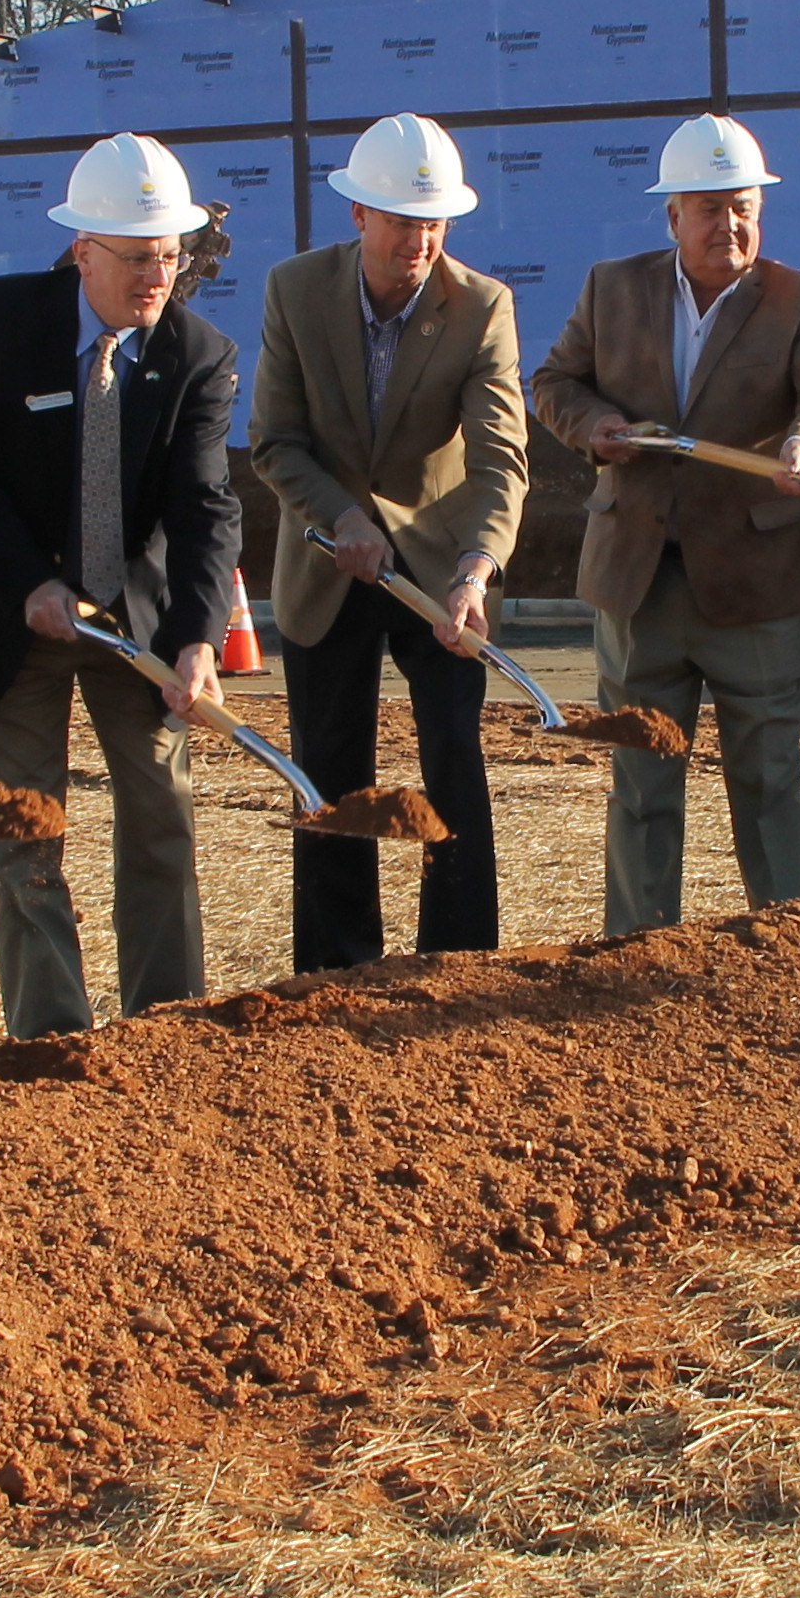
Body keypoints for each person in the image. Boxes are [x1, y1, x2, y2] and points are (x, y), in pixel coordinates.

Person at [0, 131, 243, 1042]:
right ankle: (51, 1042)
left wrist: (198, 640)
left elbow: (207, 507)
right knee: (23, 833)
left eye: (169, 259)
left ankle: (164, 1028)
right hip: (5, 616)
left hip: (134, 626)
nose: (156, 279)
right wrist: (27, 581)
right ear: (82, 251)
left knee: (161, 819)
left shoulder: (197, 354)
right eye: (136, 259)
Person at [529, 113, 800, 934]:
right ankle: (639, 945)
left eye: (743, 205)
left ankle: (782, 943)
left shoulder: (798, 299)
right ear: (671, 216)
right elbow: (555, 382)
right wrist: (595, 426)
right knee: (641, 781)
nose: (730, 224)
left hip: (755, 581)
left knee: (769, 776)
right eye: (709, 208)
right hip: (639, 581)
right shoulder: (613, 287)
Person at [250, 114, 529, 974]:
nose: (420, 239)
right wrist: (343, 519)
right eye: (402, 220)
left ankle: (457, 961)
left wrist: (477, 571)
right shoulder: (295, 292)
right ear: (359, 216)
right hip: (327, 563)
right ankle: (337, 968)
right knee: (330, 775)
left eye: (434, 221)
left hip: (442, 570)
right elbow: (275, 443)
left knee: (454, 757)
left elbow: (499, 461)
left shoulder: (481, 305)